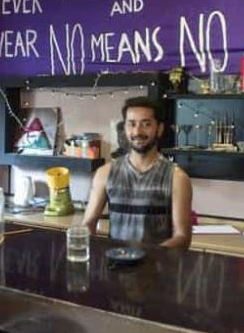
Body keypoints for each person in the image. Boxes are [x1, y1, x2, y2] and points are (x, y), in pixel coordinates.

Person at [82, 97, 192, 248]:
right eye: (131, 124)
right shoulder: (105, 173)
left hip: (158, 268)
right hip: (115, 265)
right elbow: (88, 224)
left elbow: (183, 237)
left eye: (146, 124)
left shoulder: (177, 178)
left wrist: (147, 257)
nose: (137, 131)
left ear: (159, 129)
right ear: (125, 128)